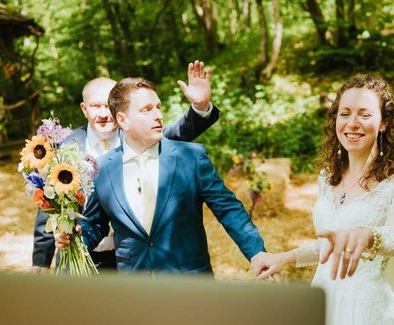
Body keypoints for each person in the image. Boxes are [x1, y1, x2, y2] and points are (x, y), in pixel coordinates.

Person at [250, 75, 394, 325]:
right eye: (345, 113)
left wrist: (370, 236)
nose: (352, 123)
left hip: (367, 318)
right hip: (322, 306)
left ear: (384, 122)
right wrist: (287, 257)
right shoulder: (328, 178)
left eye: (364, 114)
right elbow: (329, 244)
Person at [55, 75, 266, 274]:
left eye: (158, 107)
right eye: (146, 109)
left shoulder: (191, 158)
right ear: (123, 119)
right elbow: (94, 224)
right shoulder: (102, 169)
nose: (158, 115)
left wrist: (257, 253)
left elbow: (229, 210)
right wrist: (74, 237)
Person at [32, 61, 219, 272]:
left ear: (119, 109)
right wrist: (40, 259)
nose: (104, 113)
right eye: (96, 106)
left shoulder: (141, 136)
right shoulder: (65, 145)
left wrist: (201, 107)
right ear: (84, 109)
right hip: (77, 256)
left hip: (126, 259)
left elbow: (181, 130)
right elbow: (49, 203)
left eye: (107, 106)